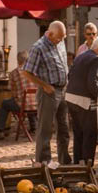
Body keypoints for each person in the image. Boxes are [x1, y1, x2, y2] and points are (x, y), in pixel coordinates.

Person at [22, 20, 71, 165]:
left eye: (63, 38)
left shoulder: (60, 42)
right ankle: (44, 162)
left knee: (64, 128)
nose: (61, 40)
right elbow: (26, 72)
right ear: (49, 34)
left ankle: (64, 161)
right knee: (45, 129)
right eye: (58, 38)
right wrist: (44, 86)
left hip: (62, 90)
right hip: (48, 92)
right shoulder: (38, 47)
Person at [66, 35, 98, 165]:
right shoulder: (96, 59)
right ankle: (87, 165)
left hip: (71, 98)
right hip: (84, 101)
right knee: (90, 134)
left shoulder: (81, 56)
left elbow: (70, 74)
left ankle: (78, 162)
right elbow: (92, 82)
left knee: (78, 133)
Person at [0, 52, 37, 139]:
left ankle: (0, 131)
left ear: (18, 60)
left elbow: (12, 91)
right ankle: (34, 128)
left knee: (5, 104)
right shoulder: (35, 71)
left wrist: (16, 96)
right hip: (37, 105)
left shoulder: (14, 73)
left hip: (23, 106)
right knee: (29, 100)